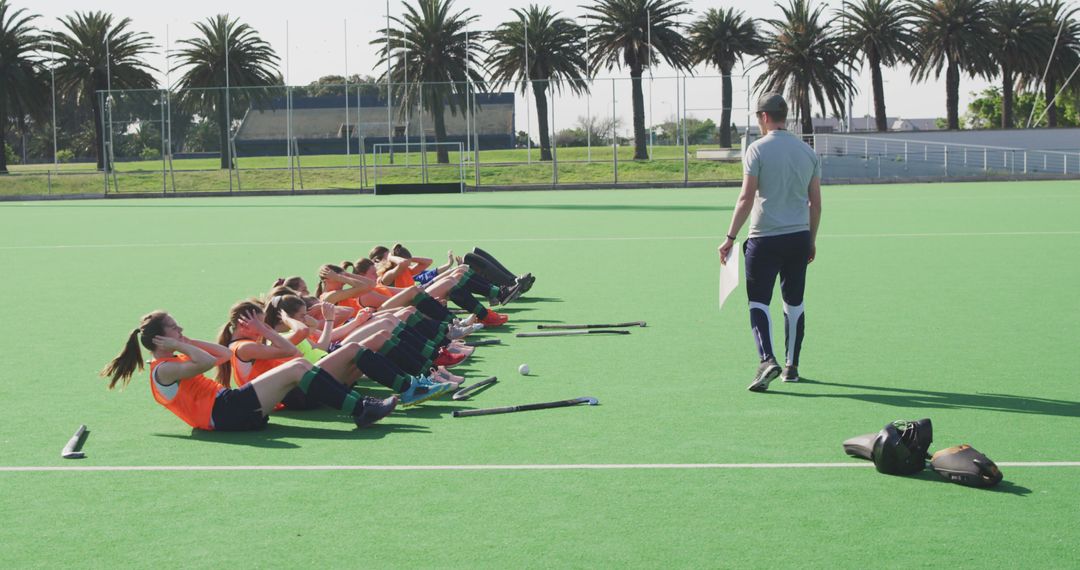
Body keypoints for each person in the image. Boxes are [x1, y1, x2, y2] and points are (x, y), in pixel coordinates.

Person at [99, 311, 397, 430]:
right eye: (175, 327)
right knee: (296, 367)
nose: (181, 329)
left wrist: (185, 340)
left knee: (300, 365)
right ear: (160, 338)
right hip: (225, 413)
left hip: (229, 407)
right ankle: (360, 410)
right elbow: (205, 362)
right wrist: (183, 345)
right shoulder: (162, 369)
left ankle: (360, 407)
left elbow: (223, 353)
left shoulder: (173, 362)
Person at [718, 92, 823, 393]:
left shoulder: (757, 150)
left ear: (764, 117)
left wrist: (730, 237)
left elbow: (746, 197)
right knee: (794, 302)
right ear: (783, 116)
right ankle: (792, 367)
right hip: (799, 238)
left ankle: (767, 359)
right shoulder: (807, 152)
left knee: (758, 301)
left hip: (764, 238)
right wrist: (811, 239)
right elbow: (815, 204)